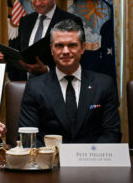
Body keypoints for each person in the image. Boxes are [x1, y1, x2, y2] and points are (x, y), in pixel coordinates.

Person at [19, 19, 121, 147]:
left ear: (83, 48)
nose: (65, 51)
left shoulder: (104, 84)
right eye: (59, 45)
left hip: (92, 162)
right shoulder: (34, 87)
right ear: (51, 49)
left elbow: (111, 134)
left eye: (72, 45)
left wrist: (85, 159)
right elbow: (29, 137)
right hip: (51, 163)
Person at [0, 0, 83, 81]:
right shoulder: (25, 21)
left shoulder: (70, 21)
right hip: (25, 87)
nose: (37, 3)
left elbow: (76, 62)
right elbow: (19, 55)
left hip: (55, 87)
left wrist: (47, 70)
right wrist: (7, 59)